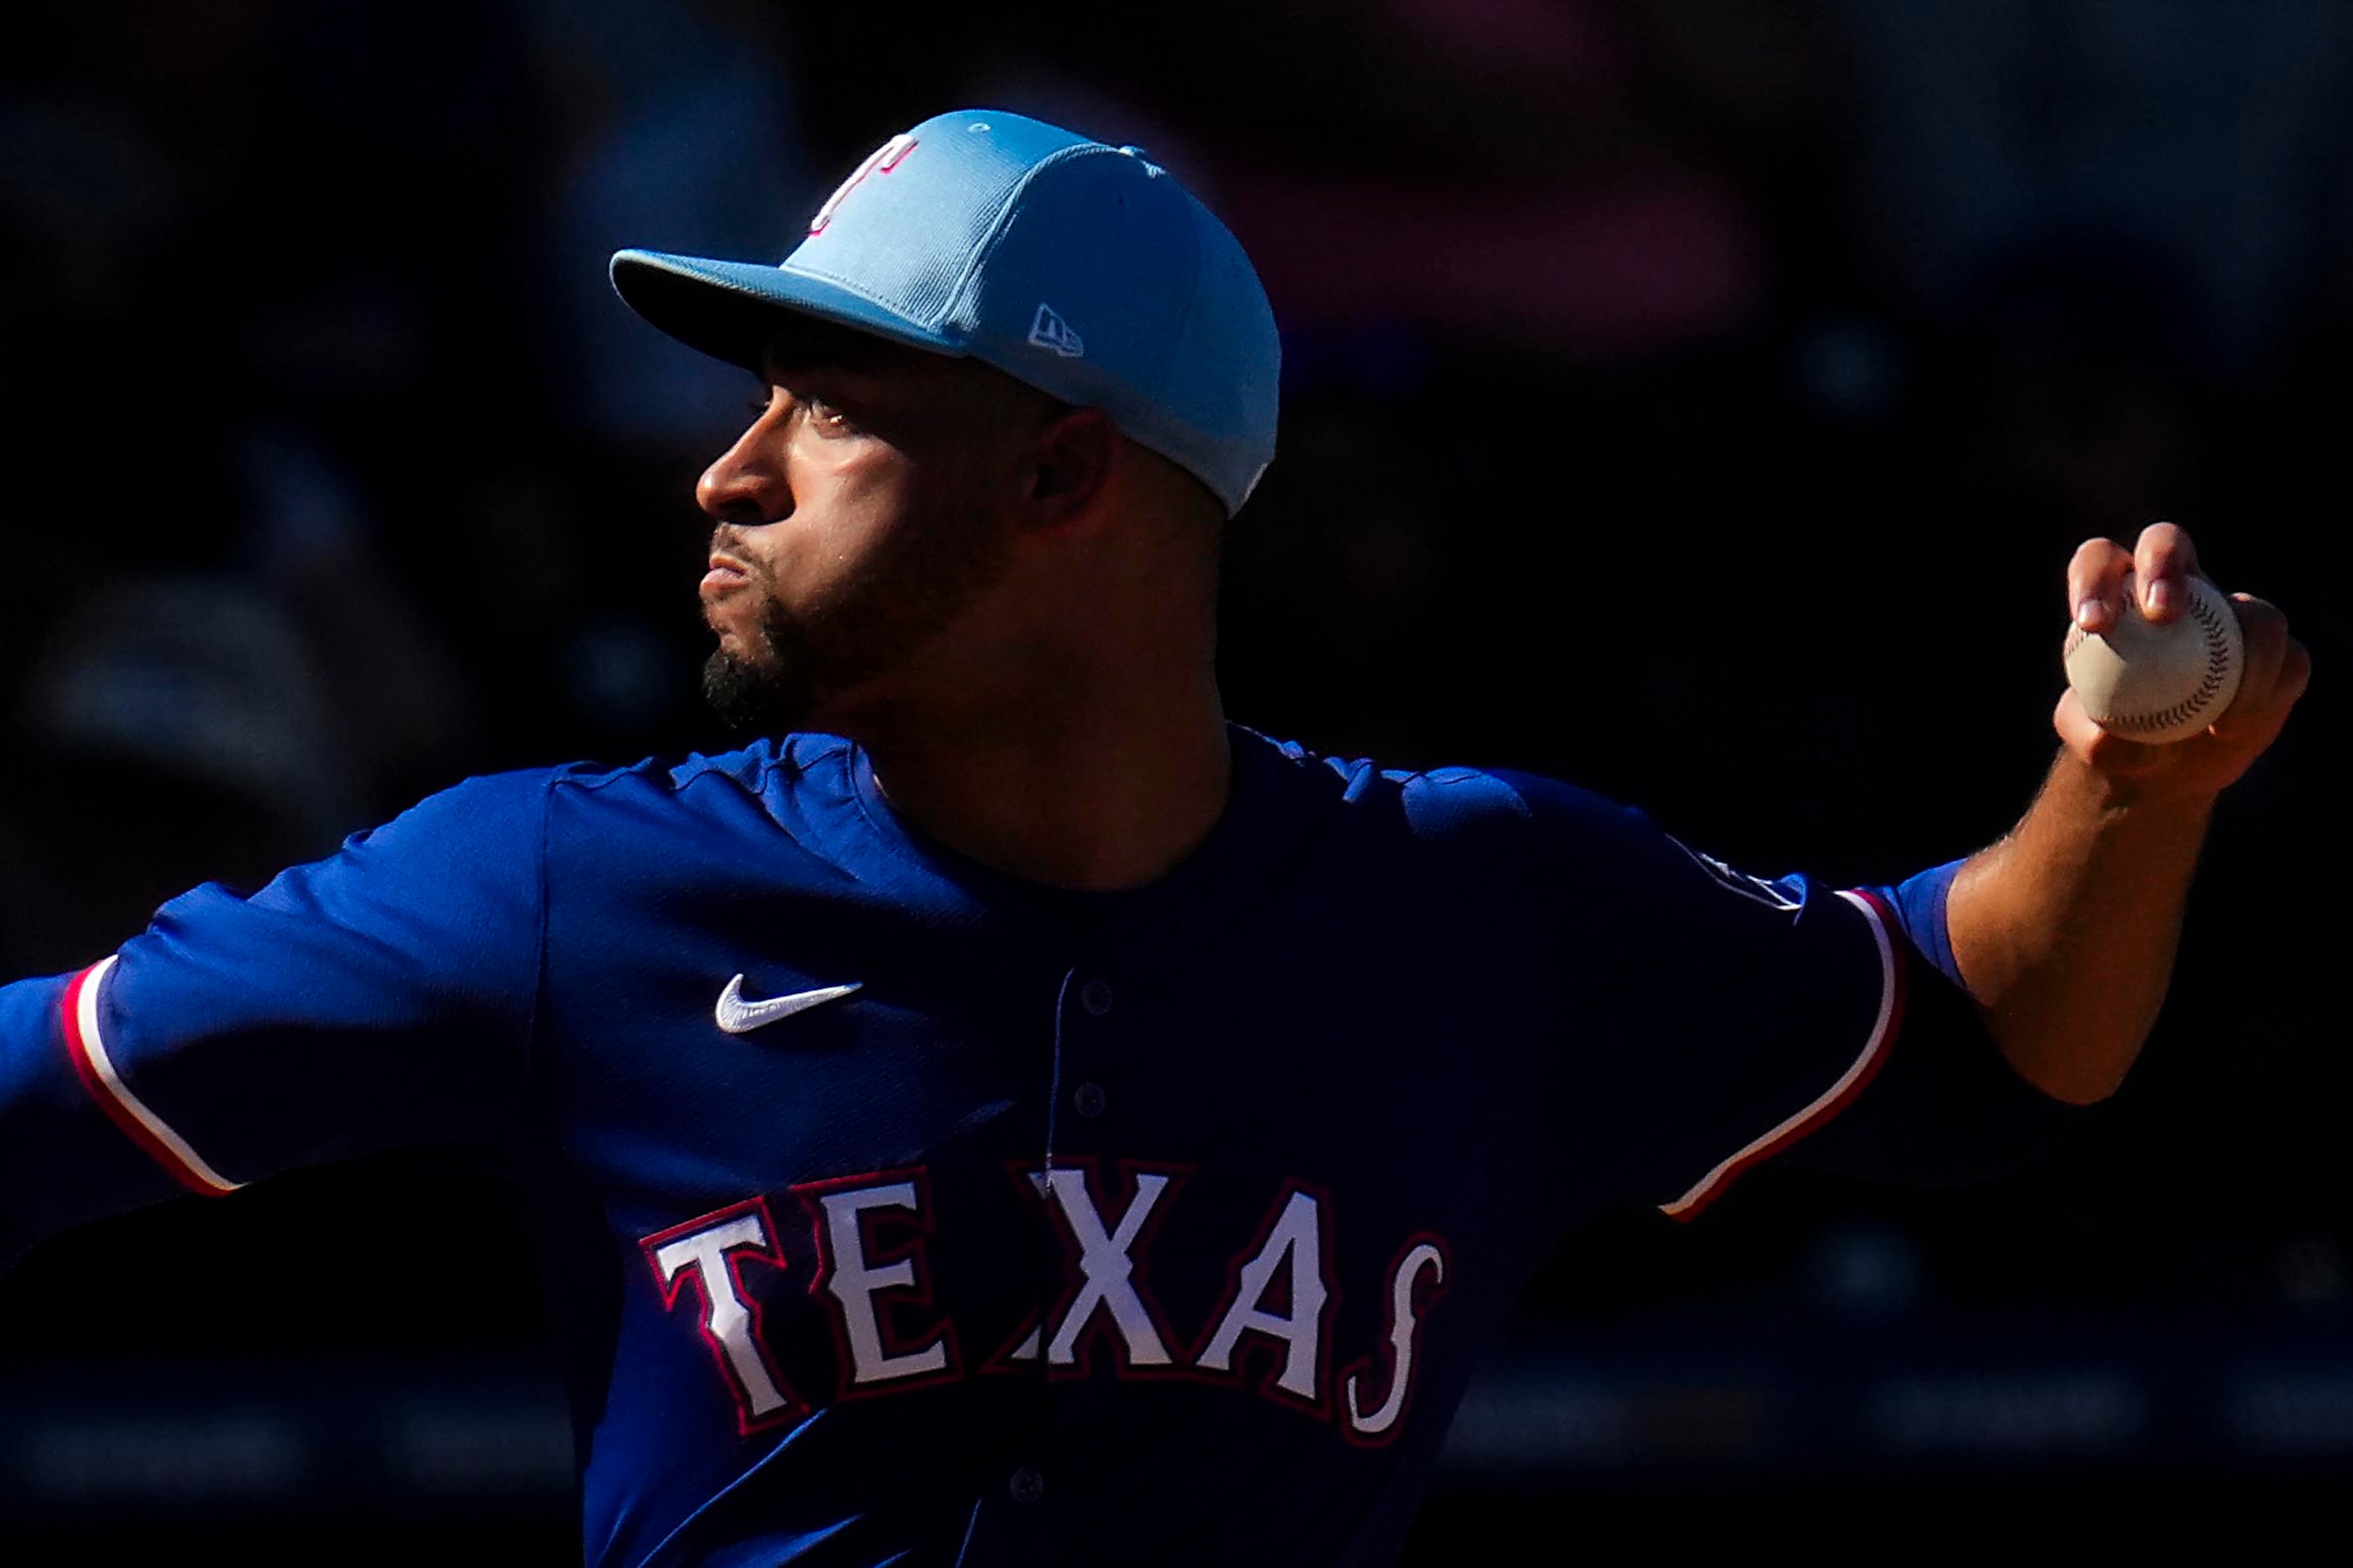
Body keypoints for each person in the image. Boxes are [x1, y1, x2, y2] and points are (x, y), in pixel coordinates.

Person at [0, 109, 2310, 1567]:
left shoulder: (1471, 904)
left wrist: (2121, 789)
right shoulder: (557, 887)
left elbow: (1985, 1043)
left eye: (829, 403)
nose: (730, 468)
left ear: (1063, 476)